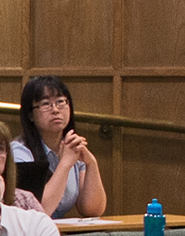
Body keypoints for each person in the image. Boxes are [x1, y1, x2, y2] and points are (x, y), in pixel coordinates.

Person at [10, 76, 110, 219]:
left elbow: (92, 210)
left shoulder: (71, 146)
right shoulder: (20, 152)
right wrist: (65, 164)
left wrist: (91, 163)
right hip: (31, 235)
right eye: (45, 104)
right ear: (31, 115)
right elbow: (36, 211)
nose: (55, 110)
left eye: (60, 102)